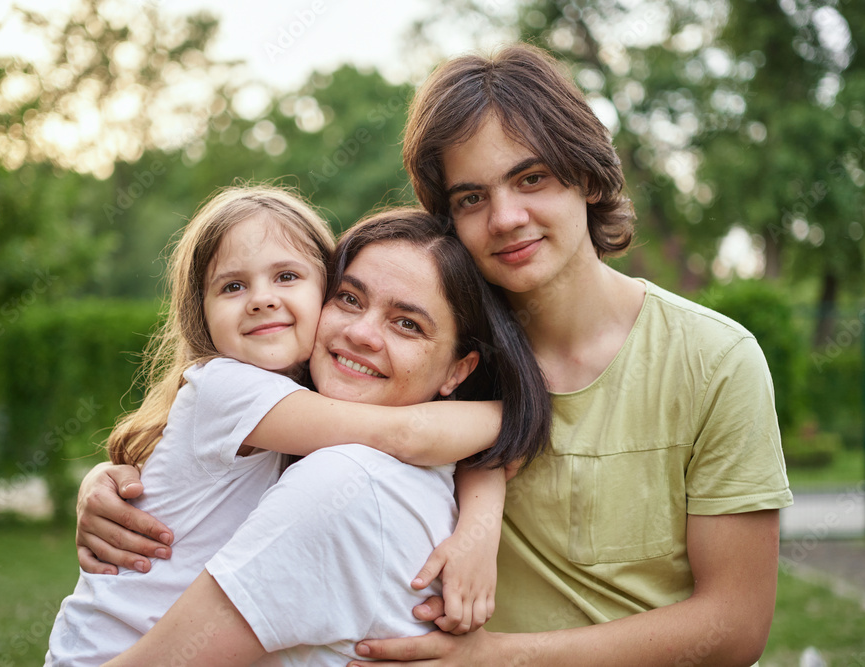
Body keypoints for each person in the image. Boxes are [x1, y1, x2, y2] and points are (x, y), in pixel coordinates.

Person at [78, 44, 793, 666]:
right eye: (472, 196)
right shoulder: (423, 357)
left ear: (592, 177)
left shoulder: (714, 360)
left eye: (533, 177)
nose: (506, 216)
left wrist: (496, 657)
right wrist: (117, 477)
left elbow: (735, 626)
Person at [45, 188, 548, 666]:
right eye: (351, 299)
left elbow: (443, 447)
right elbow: (407, 434)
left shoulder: (309, 406)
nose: (360, 333)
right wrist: (519, 411)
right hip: (102, 649)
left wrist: (478, 530)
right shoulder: (231, 387)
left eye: (286, 277)